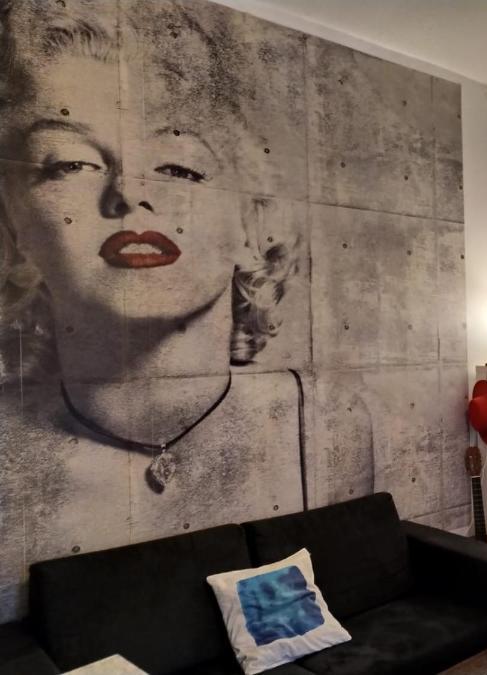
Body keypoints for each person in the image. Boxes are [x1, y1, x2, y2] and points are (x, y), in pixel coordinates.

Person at [0, 0, 309, 622]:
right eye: (70, 164)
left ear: (252, 226)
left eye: (179, 167)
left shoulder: (324, 423)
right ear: (13, 227)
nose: (129, 193)